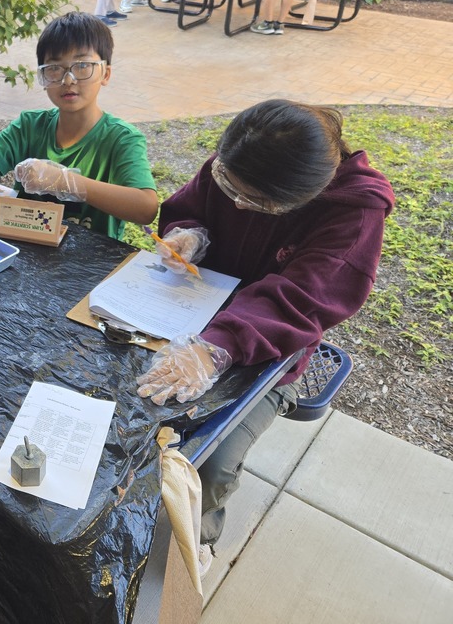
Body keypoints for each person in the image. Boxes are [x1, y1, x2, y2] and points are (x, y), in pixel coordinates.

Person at [135, 99, 394, 575]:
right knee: (128, 410)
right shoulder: (237, 161)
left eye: (253, 202)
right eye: (229, 186)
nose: (235, 203)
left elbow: (301, 299)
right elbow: (191, 204)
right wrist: (187, 232)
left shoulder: (354, 213)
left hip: (271, 352)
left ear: (307, 193)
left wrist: (216, 349)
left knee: (207, 464)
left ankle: (203, 531)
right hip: (189, 315)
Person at [0, 11, 158, 248]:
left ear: (105, 73)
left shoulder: (122, 139)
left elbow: (145, 208)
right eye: (54, 68)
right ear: (43, 77)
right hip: (26, 252)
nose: (68, 80)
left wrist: (69, 182)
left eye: (82, 66)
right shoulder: (31, 126)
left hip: (88, 264)